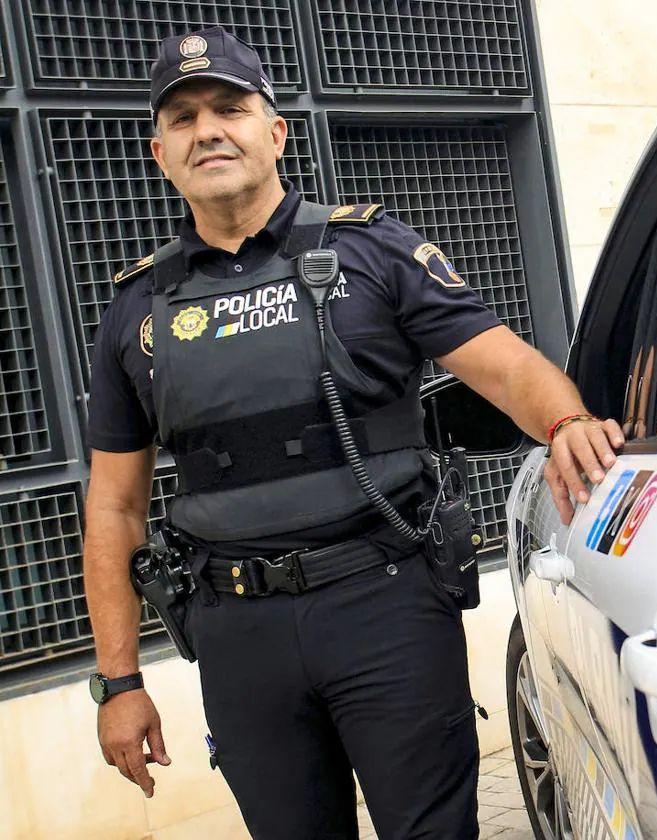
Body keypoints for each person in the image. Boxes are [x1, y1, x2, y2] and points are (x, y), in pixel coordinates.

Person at [83, 27, 619, 839]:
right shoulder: (137, 308)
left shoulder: (371, 249)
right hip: (238, 630)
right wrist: (119, 683)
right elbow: (115, 509)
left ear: (275, 131)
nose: (209, 130)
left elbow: (507, 368)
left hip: (385, 603)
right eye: (184, 118)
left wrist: (567, 420)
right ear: (160, 152)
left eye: (229, 107)